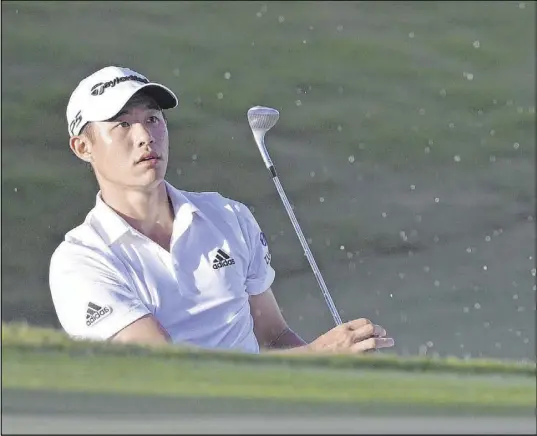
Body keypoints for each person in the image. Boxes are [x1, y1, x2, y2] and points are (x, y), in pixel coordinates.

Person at [49, 66, 395, 354]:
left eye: (153, 118)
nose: (144, 136)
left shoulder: (227, 216)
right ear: (83, 147)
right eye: (122, 124)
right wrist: (318, 356)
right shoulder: (80, 261)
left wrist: (333, 373)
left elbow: (272, 337)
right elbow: (166, 374)